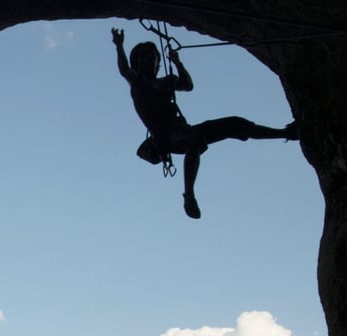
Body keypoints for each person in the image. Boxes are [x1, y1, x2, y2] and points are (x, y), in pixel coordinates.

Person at [111, 28, 297, 218]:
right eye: (143, 57)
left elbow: (188, 85)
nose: (148, 59)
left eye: (151, 56)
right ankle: (189, 194)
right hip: (165, 136)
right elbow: (124, 70)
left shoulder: (167, 81)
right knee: (195, 139)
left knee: (235, 124)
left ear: (158, 62)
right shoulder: (137, 83)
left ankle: (285, 133)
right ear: (136, 63)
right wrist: (119, 46)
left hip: (181, 129)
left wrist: (177, 63)